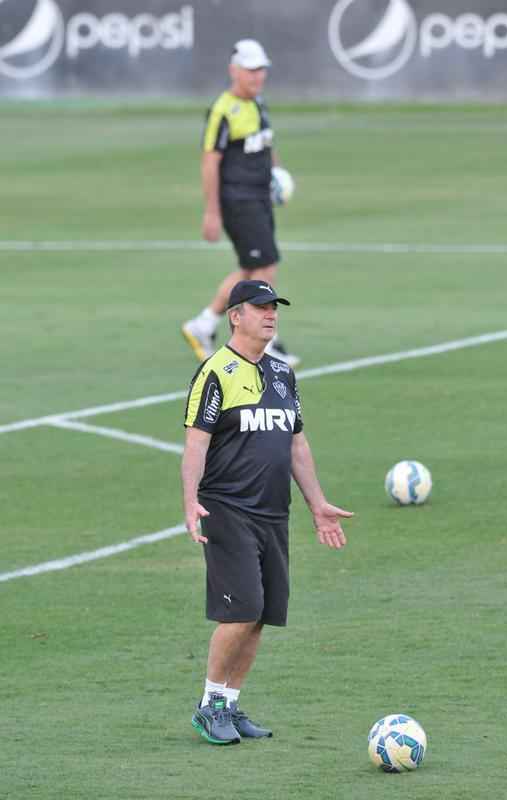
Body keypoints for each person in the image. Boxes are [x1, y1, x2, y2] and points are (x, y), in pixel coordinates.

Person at [181, 279, 353, 745]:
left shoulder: (282, 374)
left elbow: (296, 444)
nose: (271, 314)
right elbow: (196, 443)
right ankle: (209, 707)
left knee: (261, 615)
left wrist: (318, 504)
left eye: (274, 307)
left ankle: (229, 707)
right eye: (260, 307)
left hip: (274, 513)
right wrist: (190, 498)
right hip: (228, 507)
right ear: (235, 316)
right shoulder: (215, 372)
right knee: (242, 611)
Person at [181, 38, 300, 368]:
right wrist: (212, 211)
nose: (257, 76)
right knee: (266, 268)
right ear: (234, 71)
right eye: (251, 70)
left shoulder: (258, 104)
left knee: (251, 269)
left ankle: (203, 325)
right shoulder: (223, 110)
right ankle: (266, 339)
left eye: (261, 70)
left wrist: (277, 176)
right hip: (238, 200)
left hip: (260, 198)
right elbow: (210, 162)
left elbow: (265, 146)